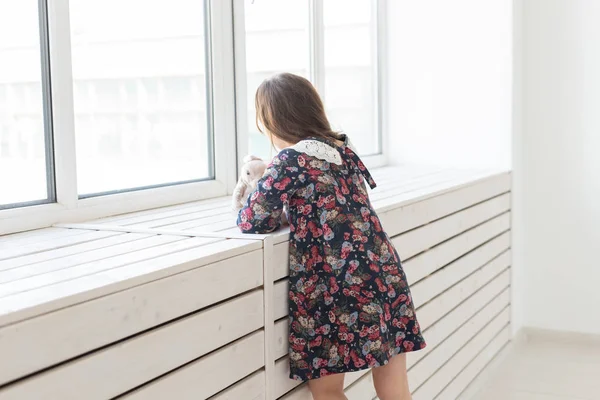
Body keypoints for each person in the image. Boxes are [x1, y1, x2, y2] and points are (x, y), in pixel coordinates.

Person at [237, 73, 426, 400]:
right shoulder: (344, 149)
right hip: (383, 273)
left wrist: (255, 181)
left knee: (327, 393)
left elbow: (252, 220)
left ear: (272, 120)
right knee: (395, 387)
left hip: (334, 289)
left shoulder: (291, 159)